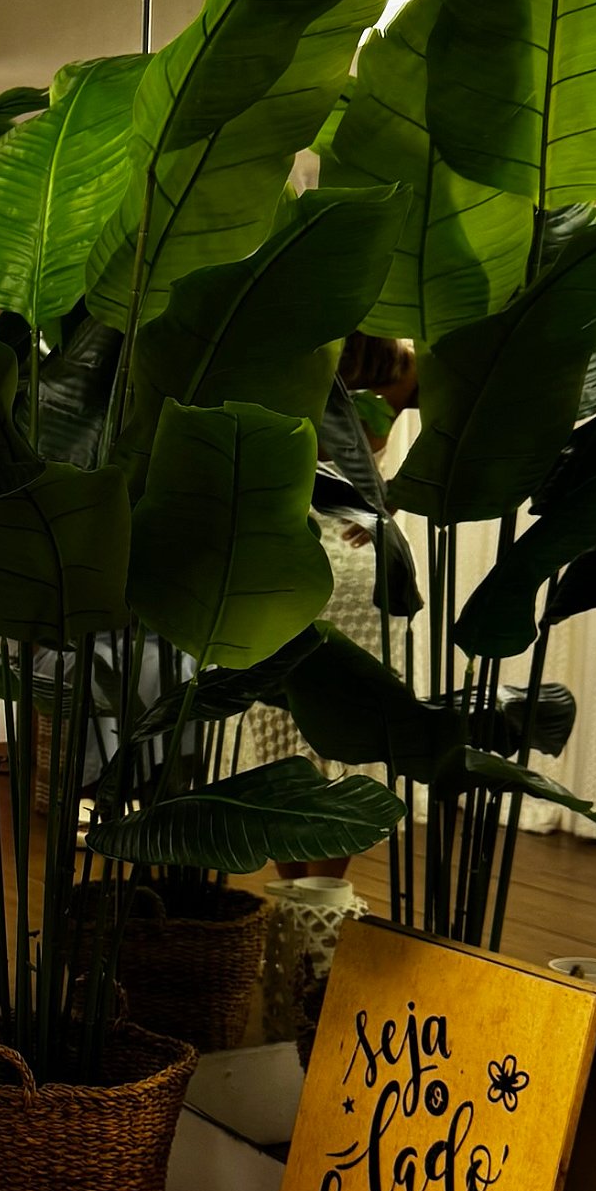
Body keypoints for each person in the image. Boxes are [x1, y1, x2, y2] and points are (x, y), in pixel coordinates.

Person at [242, 330, 419, 880]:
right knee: (348, 724)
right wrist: (392, 496)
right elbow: (467, 439)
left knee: (283, 722)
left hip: (287, 556)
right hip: (356, 555)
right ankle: (319, 898)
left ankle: (297, 901)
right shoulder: (406, 366)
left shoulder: (288, 355)